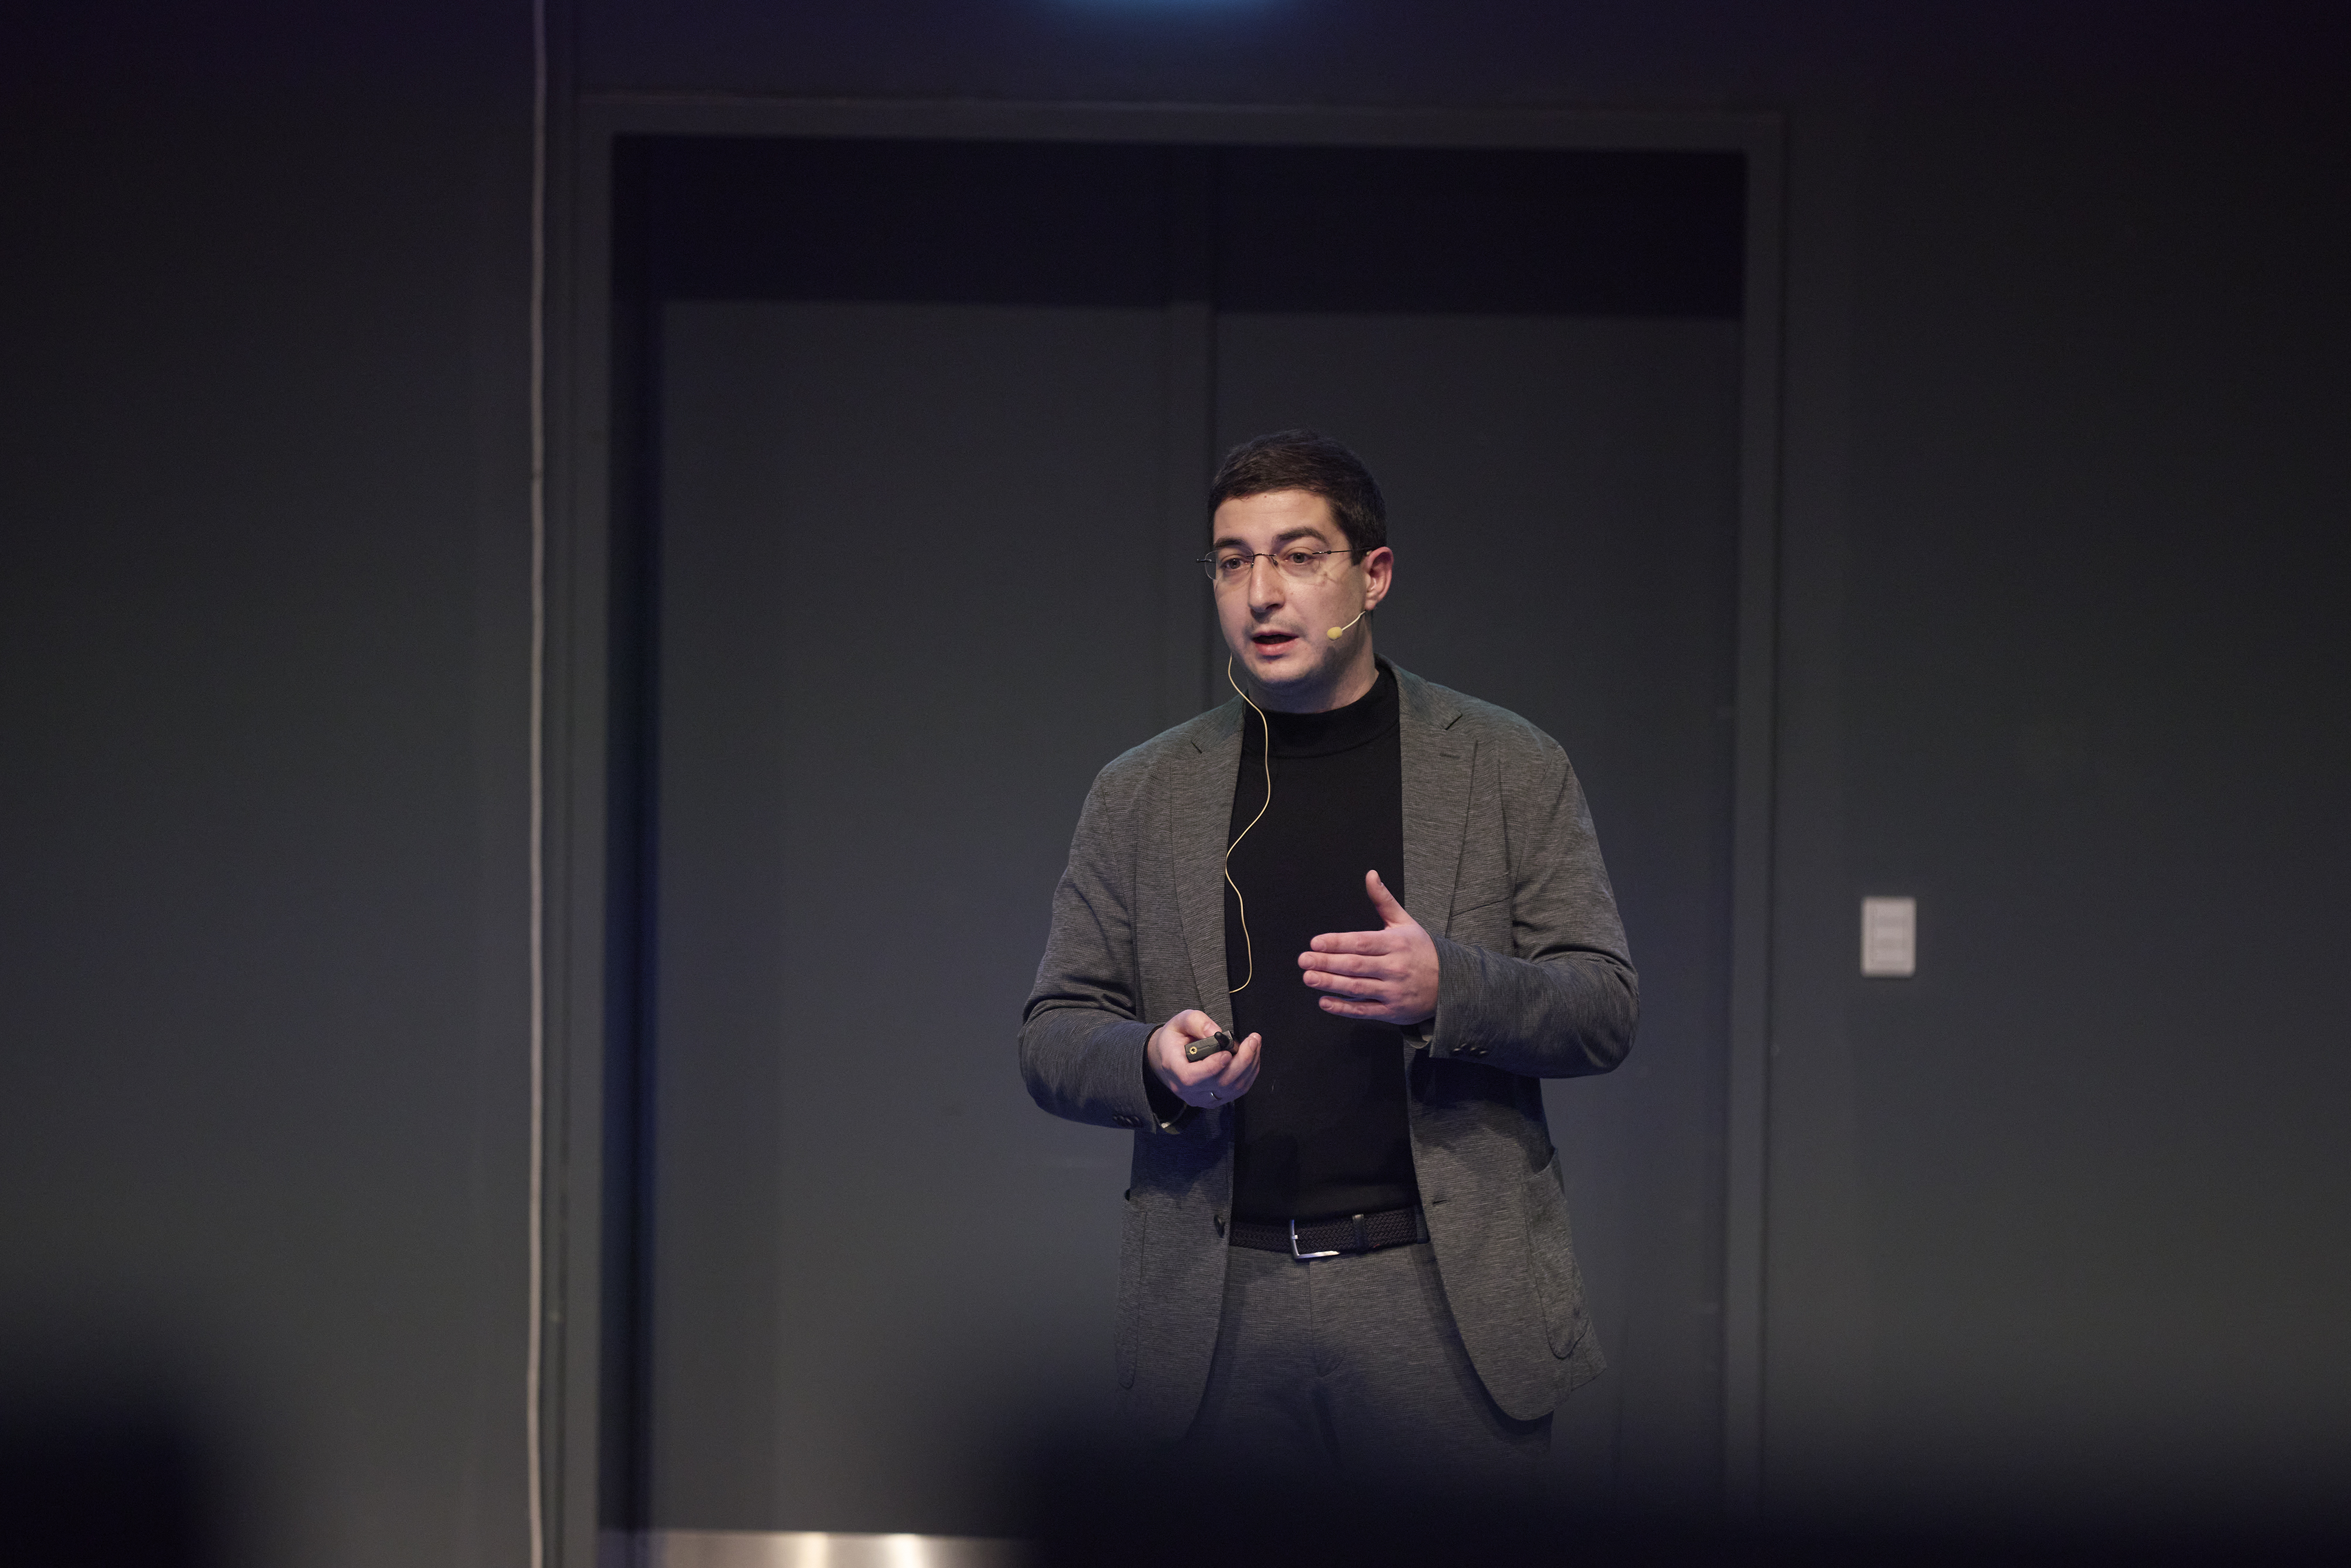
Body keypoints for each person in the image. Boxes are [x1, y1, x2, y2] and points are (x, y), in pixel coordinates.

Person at [1019, 429, 1637, 1498]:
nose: (1261, 592)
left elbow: (1602, 1005)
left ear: (1373, 573)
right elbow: (1052, 1032)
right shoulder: (1142, 791)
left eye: (1298, 556)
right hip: (1218, 1312)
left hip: (1441, 1303)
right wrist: (1153, 1062)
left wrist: (1451, 986)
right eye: (1232, 562)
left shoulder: (1504, 764)